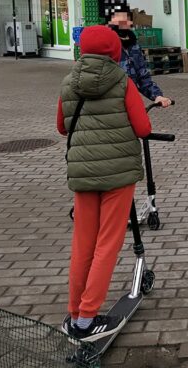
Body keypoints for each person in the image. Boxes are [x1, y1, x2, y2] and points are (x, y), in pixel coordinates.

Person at [57, 25, 152, 341]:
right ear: (115, 51)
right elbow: (141, 127)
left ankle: (74, 313)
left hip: (83, 174)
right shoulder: (122, 81)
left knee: (82, 244)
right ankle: (87, 321)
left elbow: (61, 127)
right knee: (107, 244)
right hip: (118, 175)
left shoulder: (69, 82)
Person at [106, 1, 172, 108]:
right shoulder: (107, 44)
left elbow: (143, 75)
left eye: (126, 17)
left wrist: (157, 96)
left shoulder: (134, 44)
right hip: (111, 105)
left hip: (131, 101)